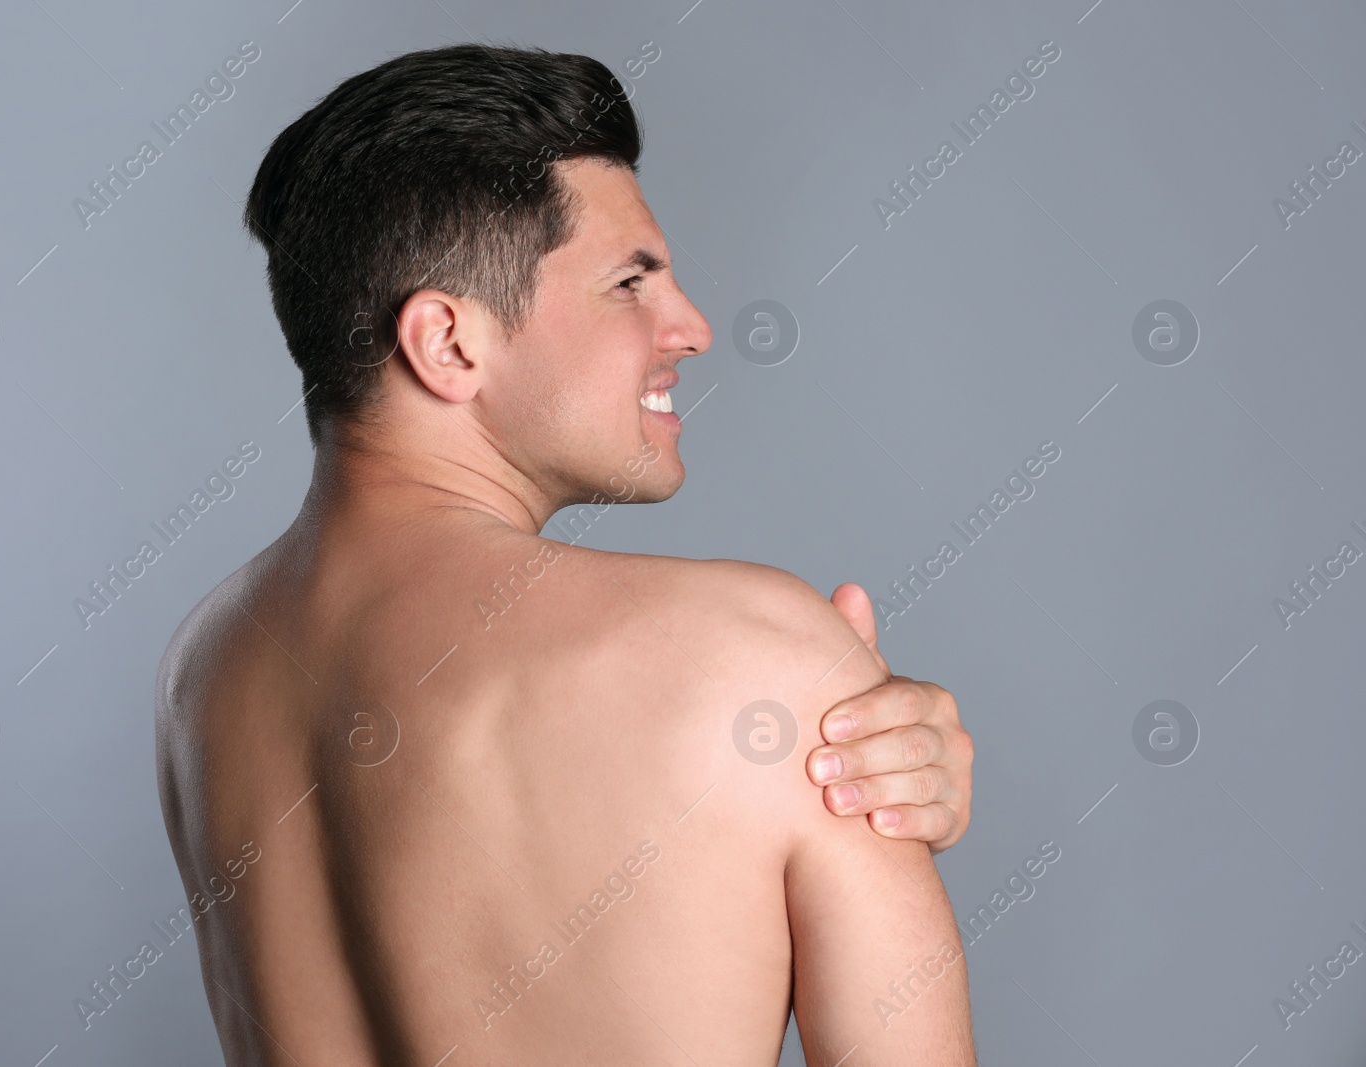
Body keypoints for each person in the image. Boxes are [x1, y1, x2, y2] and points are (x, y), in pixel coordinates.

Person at [156, 43, 976, 1065]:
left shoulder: (207, 665)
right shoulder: (753, 652)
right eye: (631, 282)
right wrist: (836, 723)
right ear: (448, 343)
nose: (691, 327)